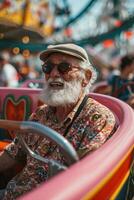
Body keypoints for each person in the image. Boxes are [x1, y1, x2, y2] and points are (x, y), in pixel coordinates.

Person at [0, 43, 116, 199]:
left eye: (64, 67)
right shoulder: (41, 114)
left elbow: (85, 178)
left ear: (86, 77)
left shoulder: (97, 118)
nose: (53, 73)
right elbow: (13, 154)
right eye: (48, 68)